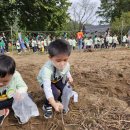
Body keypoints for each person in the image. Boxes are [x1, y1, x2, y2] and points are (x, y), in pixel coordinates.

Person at [37, 39, 73, 119]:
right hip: (47, 80)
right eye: (58, 60)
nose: (62, 64)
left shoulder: (66, 65)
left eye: (65, 60)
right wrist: (53, 103)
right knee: (54, 92)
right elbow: (47, 88)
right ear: (50, 58)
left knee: (66, 89)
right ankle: (47, 105)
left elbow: (66, 70)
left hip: (56, 78)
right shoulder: (47, 70)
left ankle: (60, 101)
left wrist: (69, 76)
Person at [0, 55, 28, 125]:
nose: (1, 84)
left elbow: (22, 86)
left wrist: (19, 92)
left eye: (5, 81)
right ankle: (2, 112)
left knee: (25, 97)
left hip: (11, 99)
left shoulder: (16, 76)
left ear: (12, 75)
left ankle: (19, 112)